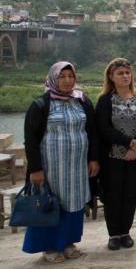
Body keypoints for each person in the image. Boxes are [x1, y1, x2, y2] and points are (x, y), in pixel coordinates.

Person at [22, 62, 99, 263]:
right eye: (62, 76)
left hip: (77, 166)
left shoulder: (82, 101)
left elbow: (92, 133)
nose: (67, 81)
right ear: (53, 78)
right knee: (49, 204)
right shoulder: (41, 104)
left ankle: (67, 242)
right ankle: (49, 247)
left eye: (70, 76)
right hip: (51, 166)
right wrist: (35, 169)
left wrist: (93, 159)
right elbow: (30, 139)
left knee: (74, 204)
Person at [95, 58, 136, 251]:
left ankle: (126, 232)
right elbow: (104, 128)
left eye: (127, 72)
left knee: (130, 195)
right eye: (120, 73)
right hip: (112, 158)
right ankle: (114, 234)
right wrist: (128, 143)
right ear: (111, 76)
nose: (125, 76)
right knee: (113, 196)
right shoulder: (105, 100)